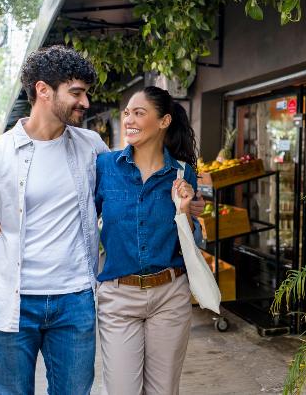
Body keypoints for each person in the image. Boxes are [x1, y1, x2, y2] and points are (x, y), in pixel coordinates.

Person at [0, 45, 108, 395]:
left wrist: (179, 202)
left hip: (74, 300)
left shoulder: (92, 146)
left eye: (85, 93)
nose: (85, 103)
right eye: (76, 93)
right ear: (43, 90)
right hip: (10, 302)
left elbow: (115, 203)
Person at [94, 86, 201, 395]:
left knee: (163, 391)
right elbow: (76, 217)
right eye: (127, 112)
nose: (129, 119)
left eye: (139, 113)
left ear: (164, 121)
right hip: (118, 297)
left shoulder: (183, 174)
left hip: (170, 295)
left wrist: (185, 212)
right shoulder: (105, 168)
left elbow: (191, 242)